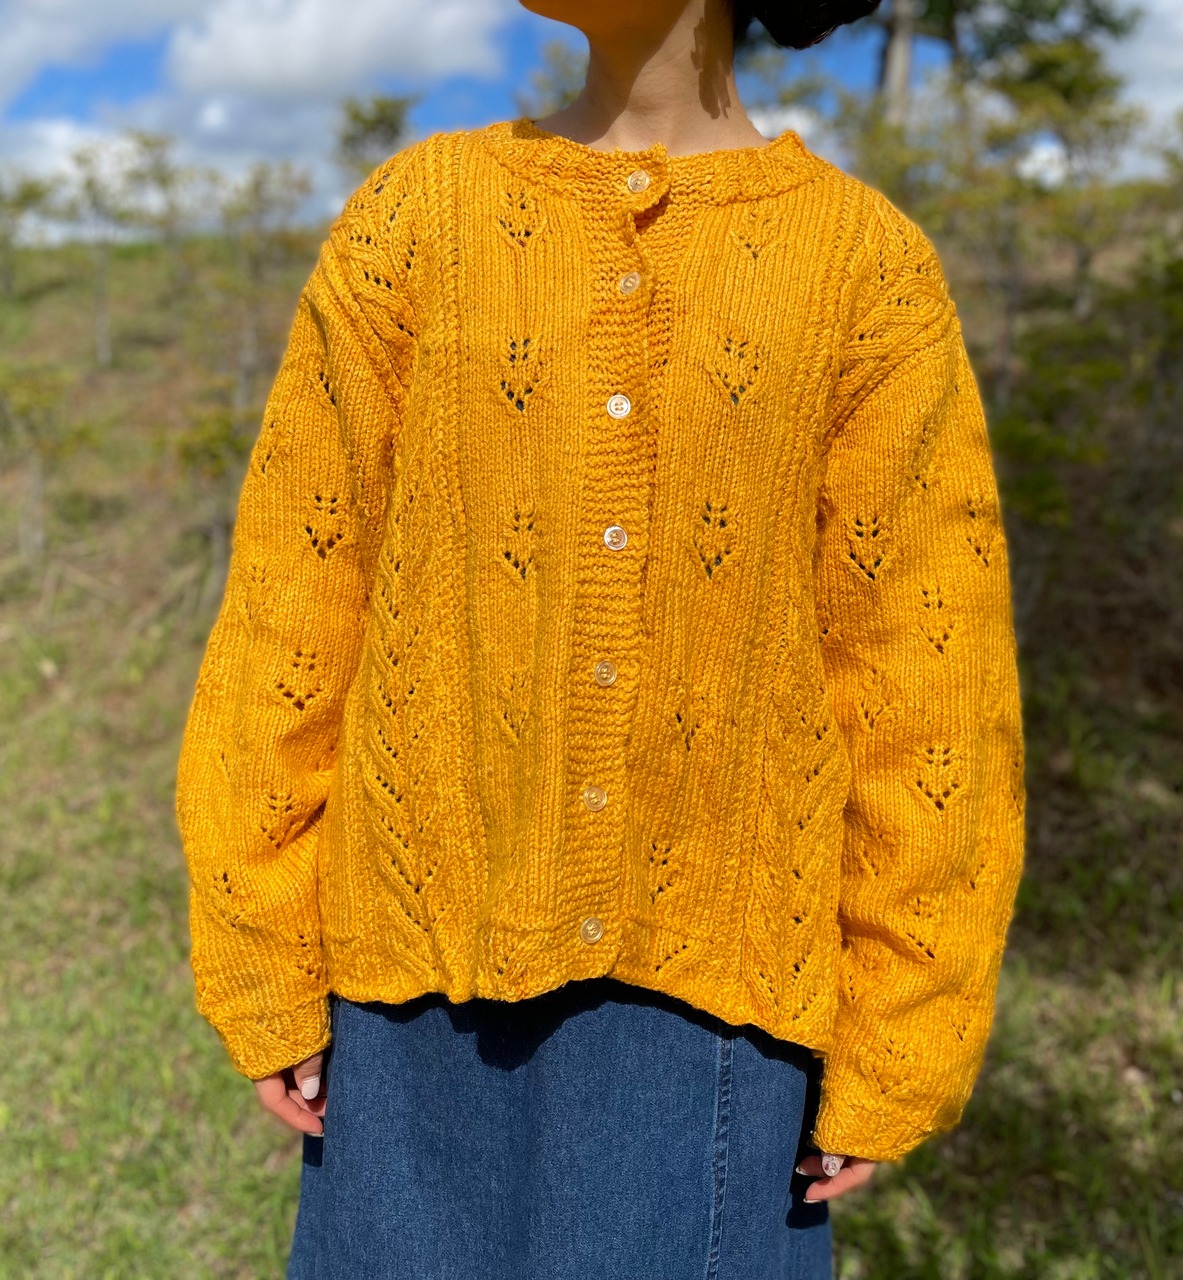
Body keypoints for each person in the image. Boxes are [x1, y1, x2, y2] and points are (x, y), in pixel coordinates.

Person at [173, 0, 1027, 1276]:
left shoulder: (864, 267)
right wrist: (262, 935)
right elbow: (296, 590)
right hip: (407, 991)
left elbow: (924, 668)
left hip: (715, 1021)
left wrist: (905, 1016)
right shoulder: (416, 219)